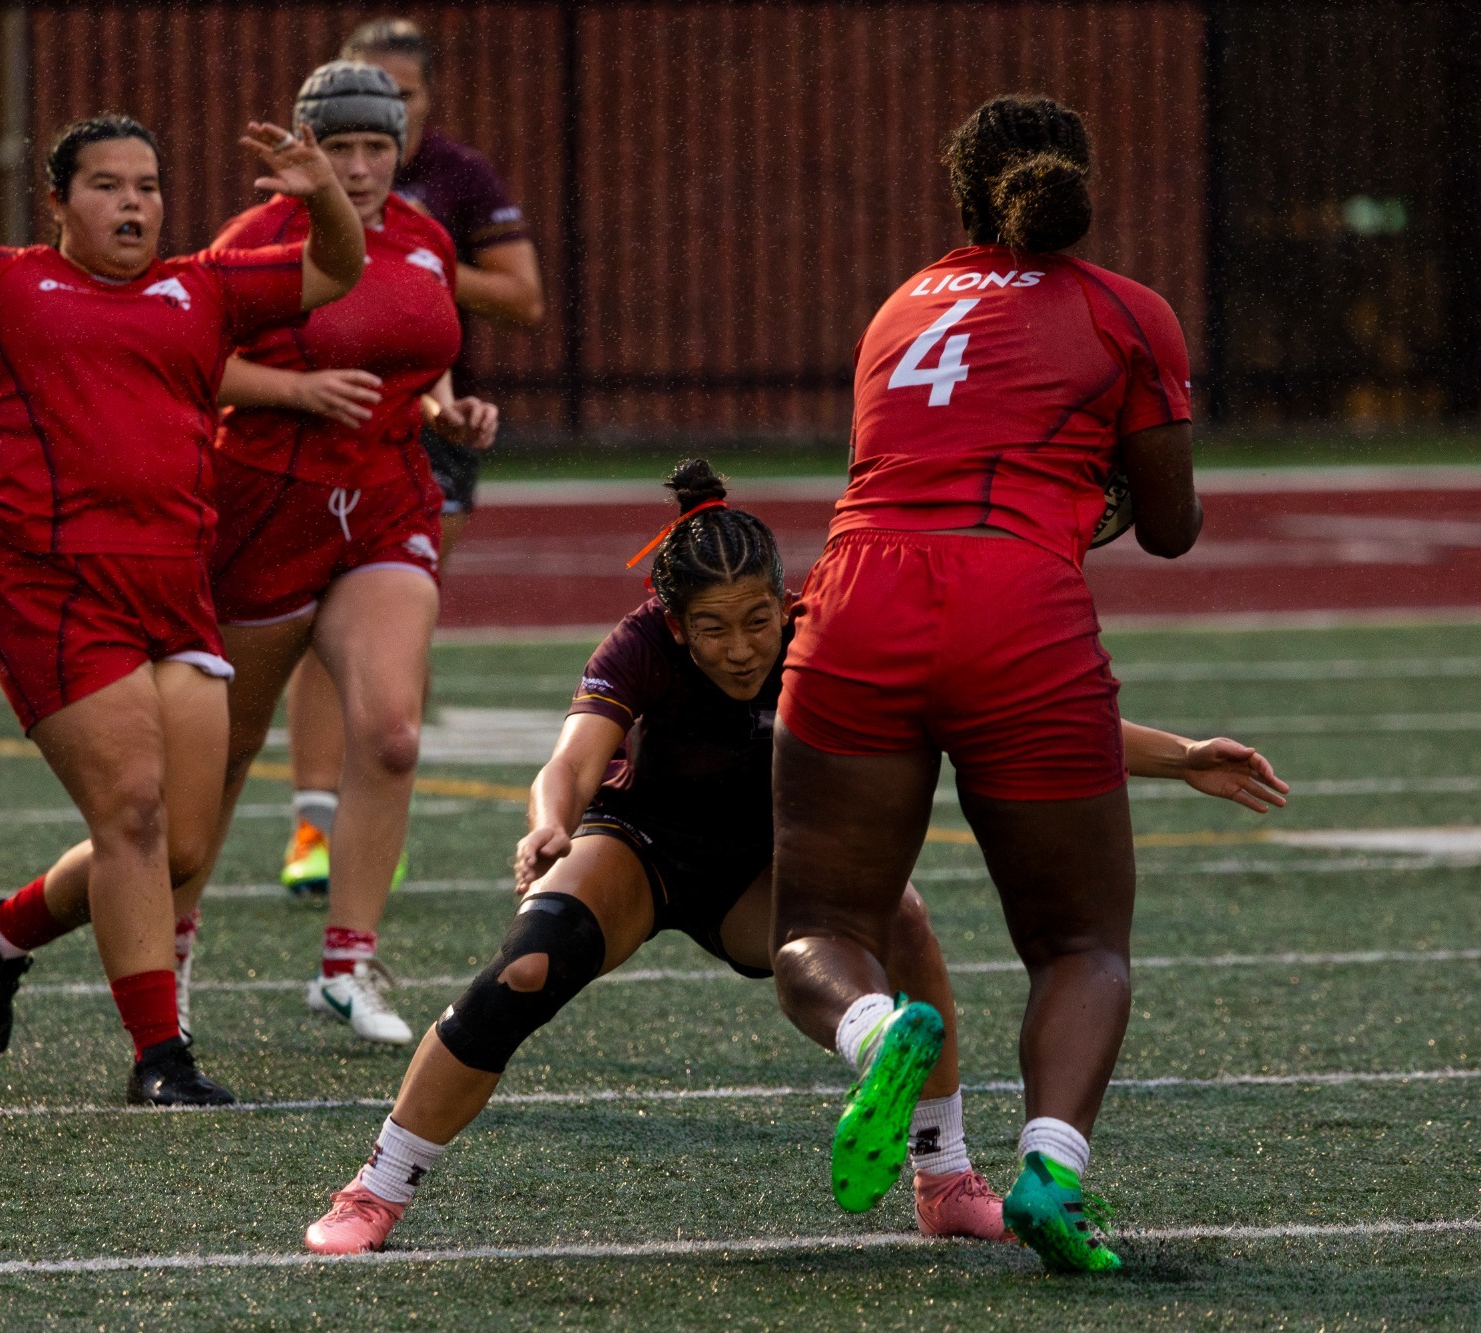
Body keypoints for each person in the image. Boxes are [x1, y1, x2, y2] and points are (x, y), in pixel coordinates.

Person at [301, 461, 1280, 1255]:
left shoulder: (830, 631)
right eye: (714, 629)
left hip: (768, 867)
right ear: (676, 623)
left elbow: (1018, 717)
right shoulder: (641, 643)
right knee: (520, 971)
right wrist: (546, 824)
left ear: (784, 601)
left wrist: (1183, 754)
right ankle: (375, 1190)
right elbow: (570, 759)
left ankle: (942, 1178)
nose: (740, 647)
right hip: (638, 850)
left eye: (757, 620)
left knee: (900, 918)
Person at [764, 95, 1289, 1273]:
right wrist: (1093, 486)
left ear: (961, 195)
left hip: (859, 592)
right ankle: (1050, 1168)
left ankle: (871, 1027)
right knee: (1076, 941)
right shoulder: (1122, 311)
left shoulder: (899, 305)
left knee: (817, 927)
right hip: (1016, 603)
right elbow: (1168, 527)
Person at [0, 99, 365, 1104]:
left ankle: (2, 929)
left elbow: (340, 270)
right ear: (60, 203)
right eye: (107, 185)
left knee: (181, 847)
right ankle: (159, 1058)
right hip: (52, 583)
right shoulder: (1, 279)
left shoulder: (199, 289)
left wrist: (324, 194)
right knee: (131, 809)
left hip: (174, 585)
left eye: (148, 187)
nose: (132, 203)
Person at [175, 61, 497, 1045]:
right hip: (267, 506)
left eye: (376, 146)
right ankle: (169, 962)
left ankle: (346, 966)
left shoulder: (427, 237)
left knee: (393, 731)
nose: (359, 167)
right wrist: (295, 393)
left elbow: (427, 348)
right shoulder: (256, 240)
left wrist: (450, 410)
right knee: (218, 754)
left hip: (388, 499)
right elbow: (185, 359)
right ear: (306, 147)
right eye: (341, 146)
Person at [272, 16, 549, 902]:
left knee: (395, 628)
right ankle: (314, 822)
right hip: (311, 430)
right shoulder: (292, 201)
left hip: (427, 417)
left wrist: (407, 261)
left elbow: (522, 297)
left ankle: (367, 820)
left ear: (425, 102)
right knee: (315, 631)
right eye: (356, 115)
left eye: (400, 99)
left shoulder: (457, 181)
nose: (367, 146)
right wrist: (358, 243)